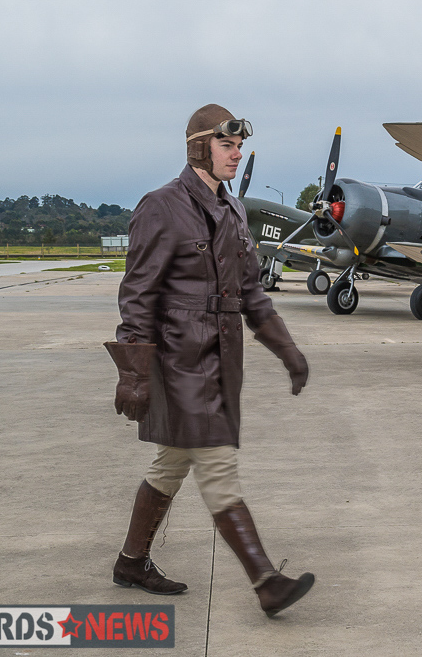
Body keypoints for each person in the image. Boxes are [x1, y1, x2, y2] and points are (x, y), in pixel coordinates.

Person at [104, 104, 313, 617]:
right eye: (227, 145)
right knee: (217, 464)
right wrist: (133, 374)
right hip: (179, 360)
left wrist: (286, 349)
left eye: (239, 147)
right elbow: (137, 295)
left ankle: (132, 562)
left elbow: (252, 294)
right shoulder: (161, 206)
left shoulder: (235, 210)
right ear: (200, 147)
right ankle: (266, 581)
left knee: (172, 462)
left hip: (222, 357)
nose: (237, 155)